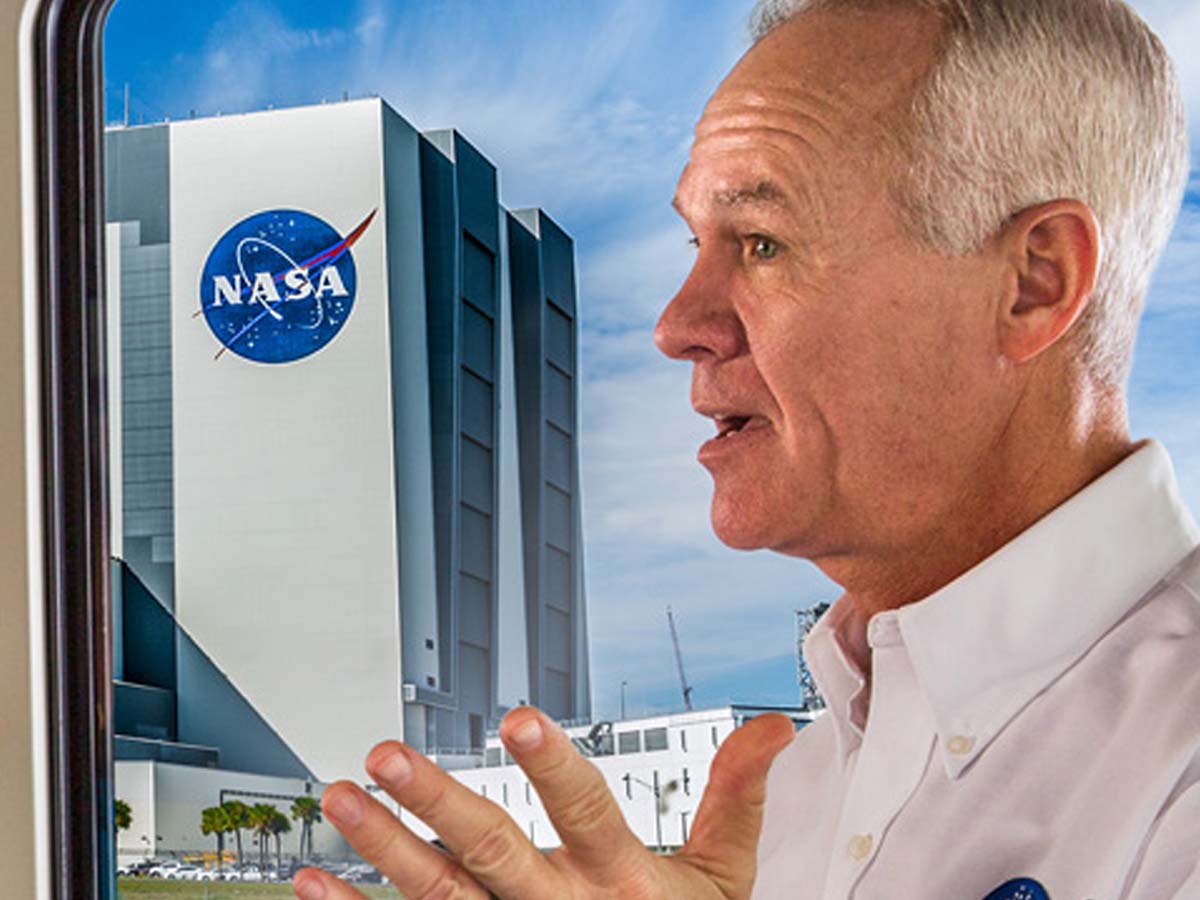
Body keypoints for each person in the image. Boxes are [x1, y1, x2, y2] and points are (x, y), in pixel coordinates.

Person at [293, 1, 1200, 898]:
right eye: (697, 245)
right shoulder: (800, 793)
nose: (676, 325)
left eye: (763, 244)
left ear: (1033, 283)